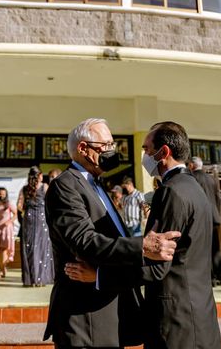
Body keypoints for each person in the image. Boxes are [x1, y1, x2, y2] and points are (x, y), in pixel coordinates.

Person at [67, 121, 221, 348]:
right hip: (200, 312)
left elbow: (156, 264)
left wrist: (99, 276)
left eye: (148, 149)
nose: (145, 155)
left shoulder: (171, 192)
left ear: (164, 152)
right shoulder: (193, 187)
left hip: (176, 320)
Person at [45, 118, 180, 348]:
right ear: (83, 149)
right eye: (105, 146)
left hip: (109, 316)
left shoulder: (96, 184)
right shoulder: (65, 186)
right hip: (84, 319)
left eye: (112, 144)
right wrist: (142, 246)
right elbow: (84, 241)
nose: (111, 151)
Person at [188, 156, 221, 286]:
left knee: (205, 249)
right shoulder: (211, 179)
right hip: (214, 217)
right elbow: (217, 199)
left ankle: (211, 278)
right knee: (216, 249)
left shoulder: (192, 179)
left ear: (192, 165)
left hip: (203, 219)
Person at [18, 166, 54, 286]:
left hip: (28, 220)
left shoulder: (24, 189)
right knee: (42, 248)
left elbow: (19, 206)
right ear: (39, 176)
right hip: (41, 220)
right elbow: (51, 203)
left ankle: (30, 280)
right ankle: (40, 279)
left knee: (29, 248)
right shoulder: (44, 187)